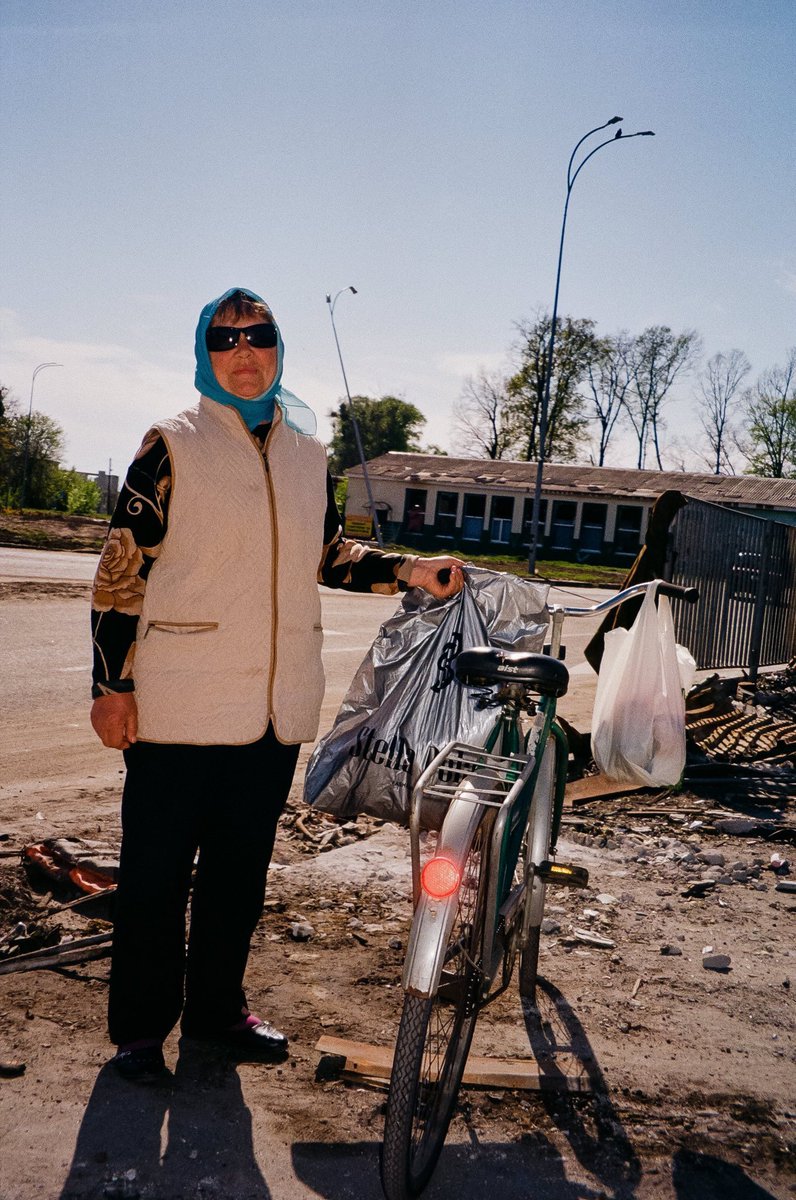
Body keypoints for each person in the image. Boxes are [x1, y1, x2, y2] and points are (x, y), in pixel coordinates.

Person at [90, 288, 463, 1083]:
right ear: (205, 353)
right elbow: (122, 571)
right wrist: (110, 684)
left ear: (279, 349)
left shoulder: (306, 454)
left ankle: (218, 1015)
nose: (244, 351)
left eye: (259, 336)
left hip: (270, 715)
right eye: (226, 339)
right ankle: (138, 1035)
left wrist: (408, 570)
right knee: (155, 882)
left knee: (237, 881)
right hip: (175, 710)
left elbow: (327, 556)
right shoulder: (172, 444)